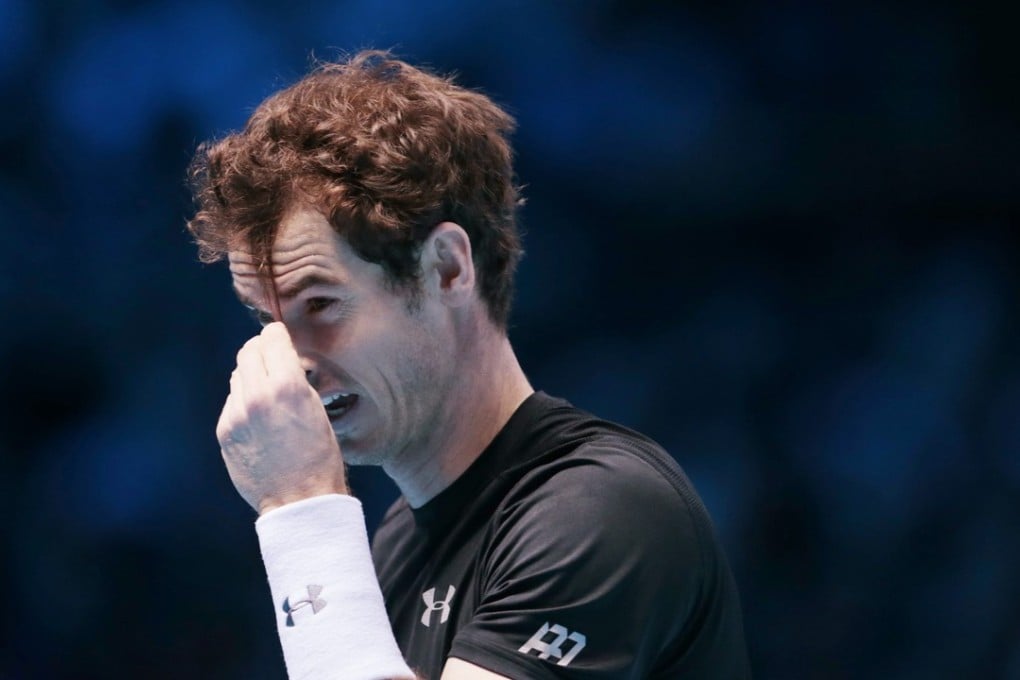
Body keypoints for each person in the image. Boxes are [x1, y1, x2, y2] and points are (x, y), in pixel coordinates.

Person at [187, 51, 750, 679]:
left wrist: (300, 506)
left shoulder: (602, 510)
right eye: (267, 320)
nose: (289, 362)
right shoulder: (397, 544)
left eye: (320, 303)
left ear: (446, 269)